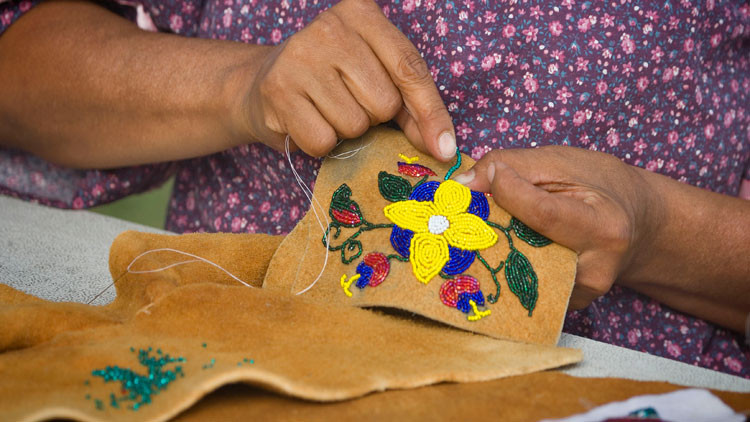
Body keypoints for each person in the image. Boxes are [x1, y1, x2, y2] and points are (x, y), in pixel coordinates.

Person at [1, 0, 748, 376]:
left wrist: (655, 229)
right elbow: (20, 63)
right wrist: (240, 86)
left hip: (611, 384)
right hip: (243, 353)